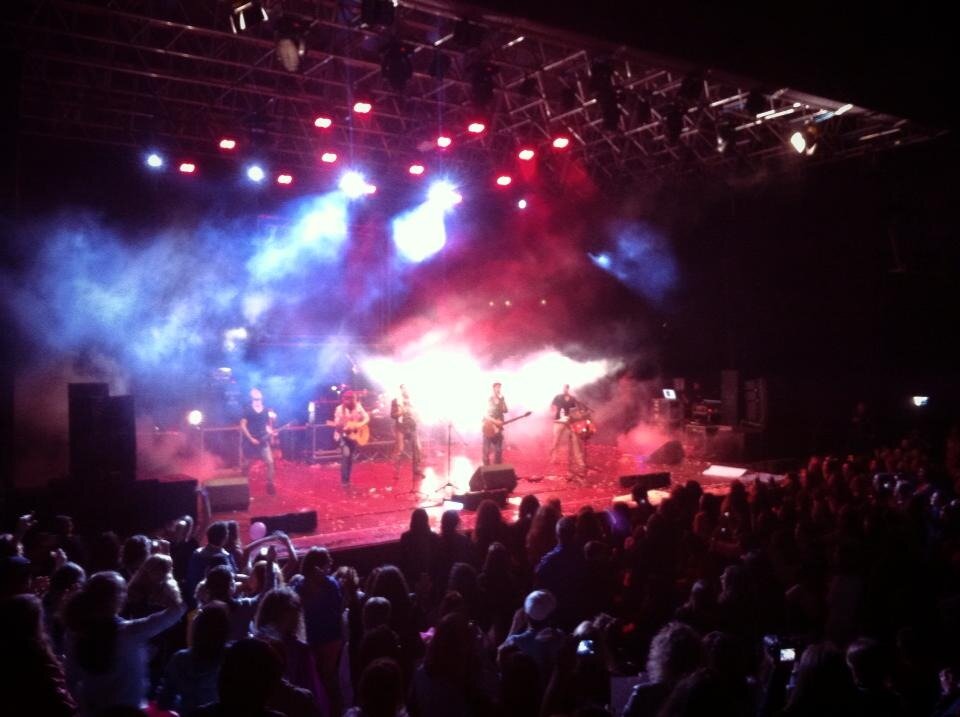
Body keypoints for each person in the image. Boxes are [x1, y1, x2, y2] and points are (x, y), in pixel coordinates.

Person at [240, 388, 277, 495]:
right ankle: (242, 483)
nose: (258, 401)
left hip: (263, 440)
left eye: (259, 399)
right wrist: (250, 438)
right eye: (256, 399)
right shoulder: (247, 410)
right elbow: (242, 426)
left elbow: (266, 425)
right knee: (247, 464)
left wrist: (270, 432)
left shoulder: (265, 411)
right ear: (252, 399)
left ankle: (270, 484)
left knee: (270, 462)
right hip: (250, 442)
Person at [332, 390, 370, 488]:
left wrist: (358, 425)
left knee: (350, 457)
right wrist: (342, 427)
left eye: (354, 400)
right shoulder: (339, 409)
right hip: (342, 436)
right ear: (345, 400)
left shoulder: (358, 407)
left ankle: (347, 479)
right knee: (346, 455)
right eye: (351, 400)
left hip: (353, 436)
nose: (353, 403)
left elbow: (366, 418)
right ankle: (344, 481)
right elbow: (337, 425)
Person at [549, 384, 585, 473]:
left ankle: (579, 461)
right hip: (559, 421)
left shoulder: (572, 399)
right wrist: (553, 413)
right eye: (564, 388)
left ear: (569, 389)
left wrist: (577, 415)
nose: (565, 389)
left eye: (566, 388)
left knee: (575, 440)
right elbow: (552, 406)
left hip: (569, 421)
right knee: (556, 440)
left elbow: (576, 410)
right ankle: (554, 458)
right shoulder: (558, 397)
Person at [391, 384, 423, 482]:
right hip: (401, 427)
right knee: (399, 449)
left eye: (407, 389)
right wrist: (401, 412)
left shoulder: (413, 401)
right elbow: (392, 415)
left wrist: (417, 419)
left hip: (412, 426)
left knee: (418, 448)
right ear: (401, 390)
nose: (406, 391)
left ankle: (417, 469)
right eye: (404, 389)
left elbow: (417, 413)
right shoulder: (396, 401)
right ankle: (396, 472)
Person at [482, 382, 508, 466]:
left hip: (498, 428)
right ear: (493, 389)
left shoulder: (501, 400)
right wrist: (495, 422)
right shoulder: (488, 400)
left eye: (499, 387)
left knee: (498, 450)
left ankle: (497, 469)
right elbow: (485, 415)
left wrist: (503, 400)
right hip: (488, 427)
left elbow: (505, 410)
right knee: (486, 451)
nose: (498, 389)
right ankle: (486, 469)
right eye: (497, 387)